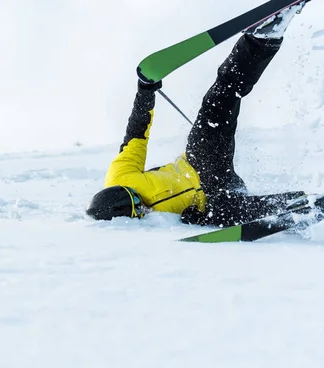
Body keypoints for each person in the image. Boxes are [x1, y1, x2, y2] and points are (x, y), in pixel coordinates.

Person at [86, 1, 311, 227]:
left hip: (200, 162)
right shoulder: (147, 224)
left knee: (218, 100)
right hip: (216, 197)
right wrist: (195, 219)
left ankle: (262, 38)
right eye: (139, 211)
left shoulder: (120, 174)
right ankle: (303, 207)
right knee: (227, 213)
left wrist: (145, 93)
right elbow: (178, 223)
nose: (144, 207)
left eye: (138, 200)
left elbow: (136, 133)